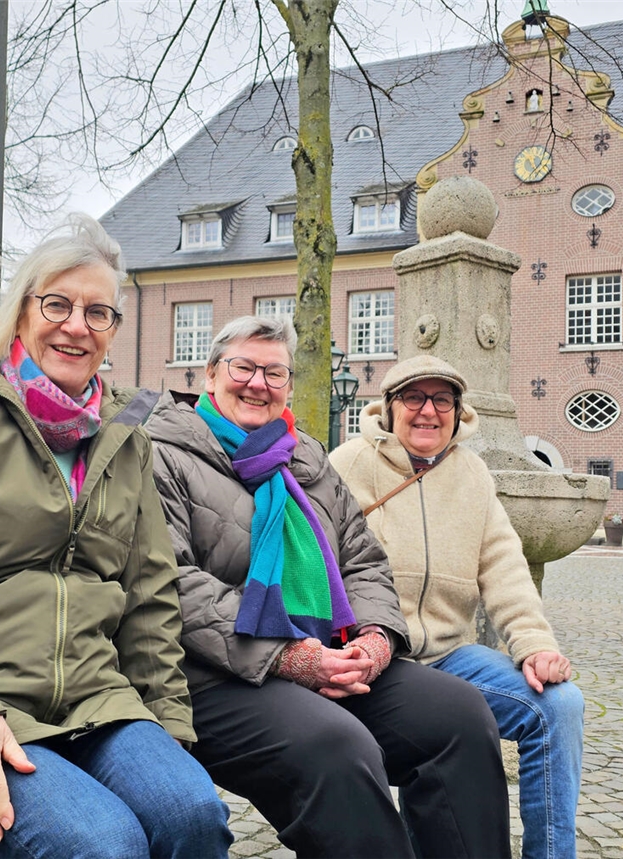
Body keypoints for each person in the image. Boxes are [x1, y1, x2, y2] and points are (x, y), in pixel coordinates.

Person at [0, 214, 233, 859]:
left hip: (98, 705)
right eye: (57, 303)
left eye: (99, 312)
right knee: (101, 846)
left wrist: (166, 723)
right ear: (21, 311)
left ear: (113, 331)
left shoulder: (124, 441)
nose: (76, 326)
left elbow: (149, 598)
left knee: (194, 815)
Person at [147, 316, 511, 859]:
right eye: (242, 367)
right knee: (337, 748)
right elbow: (171, 582)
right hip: (217, 674)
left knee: (459, 714)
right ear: (209, 375)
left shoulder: (307, 458)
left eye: (274, 373)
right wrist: (291, 657)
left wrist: (375, 640)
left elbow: (362, 559)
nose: (257, 384)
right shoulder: (162, 453)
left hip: (332, 655)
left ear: (289, 385)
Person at [329, 354, 586, 859]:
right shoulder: (346, 464)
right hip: (374, 657)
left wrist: (535, 645)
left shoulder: (473, 474)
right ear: (388, 406)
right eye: (413, 398)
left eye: (441, 399)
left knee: (559, 705)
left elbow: (504, 565)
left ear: (458, 410)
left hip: (451, 657)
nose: (428, 411)